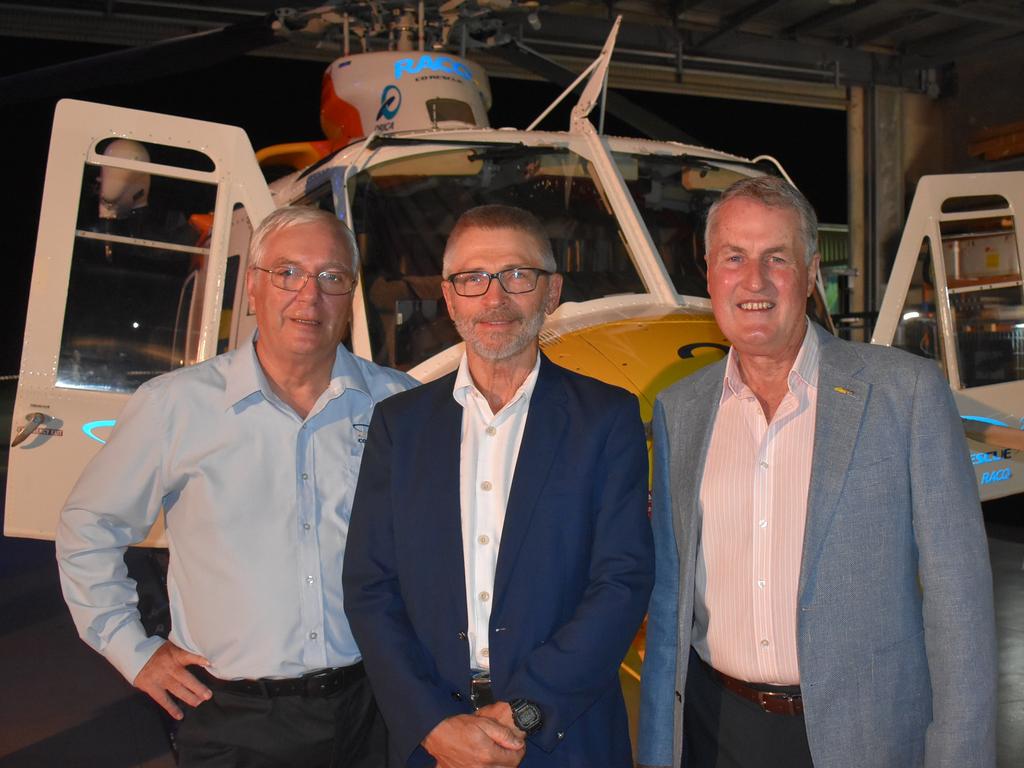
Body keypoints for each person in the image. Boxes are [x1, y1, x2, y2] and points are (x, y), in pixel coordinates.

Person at [637, 176, 997, 768]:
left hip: (863, 738)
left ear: (809, 275)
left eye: (776, 258)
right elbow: (672, 603)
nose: (753, 281)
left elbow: (960, 602)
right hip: (713, 727)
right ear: (709, 275)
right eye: (734, 258)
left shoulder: (904, 393)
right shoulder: (681, 410)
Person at [56, 206, 417, 767]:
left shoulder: (401, 404)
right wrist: (134, 652)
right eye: (288, 273)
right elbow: (88, 527)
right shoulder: (175, 406)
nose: (309, 295)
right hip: (235, 722)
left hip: (374, 710)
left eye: (331, 277)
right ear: (252, 286)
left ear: (351, 294)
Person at [343, 204, 654, 767]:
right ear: (449, 295)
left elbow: (622, 582)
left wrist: (523, 715)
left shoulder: (605, 420)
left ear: (551, 291)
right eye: (473, 278)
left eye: (517, 276)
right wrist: (431, 724)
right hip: (433, 746)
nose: (494, 298)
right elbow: (370, 587)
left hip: (563, 737)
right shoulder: (399, 426)